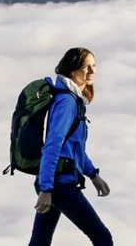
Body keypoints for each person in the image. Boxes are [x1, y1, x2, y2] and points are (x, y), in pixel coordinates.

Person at [30, 47, 113, 246]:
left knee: (40, 242)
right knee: (102, 238)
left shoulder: (73, 99)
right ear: (72, 70)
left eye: (94, 66)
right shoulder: (67, 101)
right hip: (59, 185)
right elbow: (52, 145)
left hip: (55, 182)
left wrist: (93, 174)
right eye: (86, 67)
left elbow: (74, 148)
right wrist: (46, 187)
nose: (92, 71)